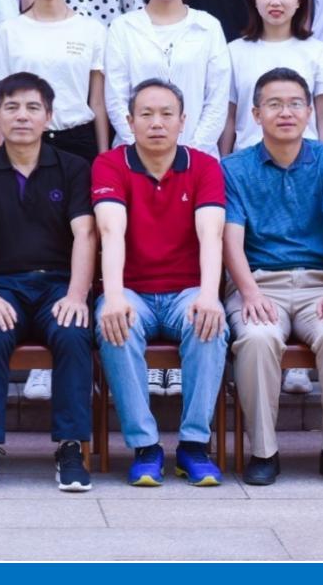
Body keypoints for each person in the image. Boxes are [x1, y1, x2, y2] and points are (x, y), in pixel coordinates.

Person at [220, 69, 323, 487]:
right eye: (274, 104)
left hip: (321, 282)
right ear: (255, 114)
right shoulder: (234, 168)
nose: (286, 112)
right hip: (259, 282)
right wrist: (249, 293)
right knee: (257, 339)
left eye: (295, 103)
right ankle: (264, 451)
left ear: (309, 111)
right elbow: (231, 239)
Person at [0, 73, 98, 493]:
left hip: (58, 285)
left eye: (33, 107)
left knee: (74, 334)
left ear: (48, 116)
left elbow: (85, 234)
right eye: (12, 107)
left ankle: (71, 447)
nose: (22, 116)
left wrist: (77, 295)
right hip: (3, 285)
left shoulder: (73, 168)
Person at [92, 80, 229, 487]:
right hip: (132, 290)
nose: (157, 123)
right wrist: (112, 297)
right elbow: (110, 231)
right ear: (129, 121)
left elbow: (212, 234)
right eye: (146, 114)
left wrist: (210, 296)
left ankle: (194, 446)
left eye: (167, 114)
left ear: (183, 121)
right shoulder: (110, 164)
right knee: (115, 323)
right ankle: (145, 447)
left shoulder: (204, 166)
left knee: (209, 323)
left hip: (187, 290)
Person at [103, 0, 231, 153]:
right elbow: (116, 99)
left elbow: (217, 100)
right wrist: (142, 148)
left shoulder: (208, 26)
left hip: (198, 156)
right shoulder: (123, 27)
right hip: (134, 155)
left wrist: (192, 152)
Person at [0, 0, 108, 160]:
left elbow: (97, 102)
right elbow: (1, 100)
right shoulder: (7, 32)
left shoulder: (92, 30)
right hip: (23, 140)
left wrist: (104, 156)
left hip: (77, 141)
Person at [224, 0, 323, 153]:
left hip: (307, 159)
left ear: (299, 0)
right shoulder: (234, 51)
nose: (275, 2)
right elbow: (229, 116)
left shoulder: (316, 50)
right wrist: (224, 161)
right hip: (248, 159)